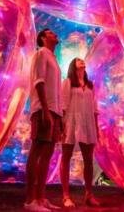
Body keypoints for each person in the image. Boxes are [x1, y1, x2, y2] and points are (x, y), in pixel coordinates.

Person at [24, 28, 62, 212]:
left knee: (47, 154)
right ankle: (30, 200)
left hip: (53, 111)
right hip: (43, 109)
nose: (55, 35)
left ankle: (41, 197)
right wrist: (45, 110)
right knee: (37, 150)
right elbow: (38, 82)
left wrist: (58, 115)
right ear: (43, 37)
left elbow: (55, 89)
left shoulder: (53, 59)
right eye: (51, 33)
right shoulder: (41, 54)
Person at [60, 58, 101, 208]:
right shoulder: (68, 83)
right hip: (71, 121)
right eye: (78, 60)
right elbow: (63, 105)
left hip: (87, 122)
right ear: (73, 66)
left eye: (82, 60)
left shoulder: (90, 85)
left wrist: (96, 128)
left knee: (88, 159)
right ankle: (65, 196)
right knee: (66, 157)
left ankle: (89, 194)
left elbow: (95, 108)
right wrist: (61, 126)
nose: (81, 60)